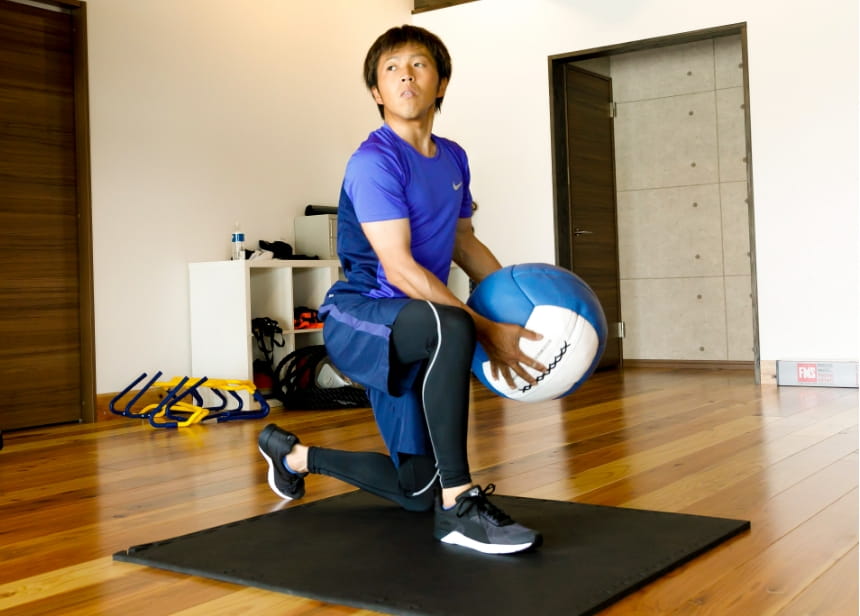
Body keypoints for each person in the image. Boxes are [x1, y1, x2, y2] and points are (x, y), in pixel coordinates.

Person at [258, 24, 547, 555]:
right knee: (452, 323)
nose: (405, 76)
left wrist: (516, 306)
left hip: (418, 322)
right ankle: (459, 504)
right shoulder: (374, 161)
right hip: (362, 317)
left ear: (441, 82)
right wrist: (487, 331)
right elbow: (398, 268)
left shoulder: (453, 157)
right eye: (391, 68)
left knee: (414, 491)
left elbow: (463, 241)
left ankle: (292, 456)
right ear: (377, 91)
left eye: (418, 64)